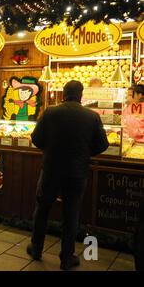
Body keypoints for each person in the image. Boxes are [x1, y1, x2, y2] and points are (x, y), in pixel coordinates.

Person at [27, 80, 109, 271]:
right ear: (81, 95)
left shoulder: (50, 112)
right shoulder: (92, 116)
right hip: (77, 172)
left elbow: (36, 139)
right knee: (71, 214)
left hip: (51, 170)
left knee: (42, 208)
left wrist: (50, 149)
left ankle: (36, 248)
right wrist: (85, 154)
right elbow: (103, 145)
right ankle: (66, 257)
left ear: (63, 93)